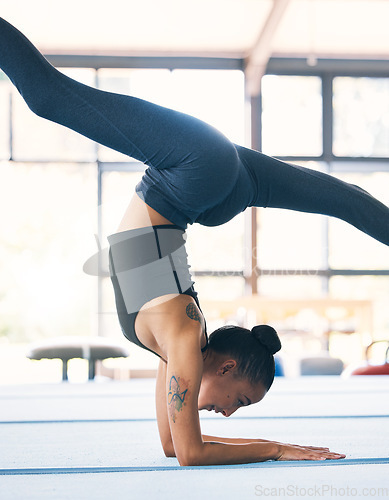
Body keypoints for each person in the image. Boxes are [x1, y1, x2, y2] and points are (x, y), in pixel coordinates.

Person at [2, 17, 387, 466]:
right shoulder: (185, 337)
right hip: (195, 167)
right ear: (225, 368)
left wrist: (275, 448)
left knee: (343, 199)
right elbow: (192, 452)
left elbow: (174, 446)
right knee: (47, 96)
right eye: (239, 401)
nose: (227, 413)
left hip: (215, 188)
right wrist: (278, 448)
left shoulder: (181, 342)